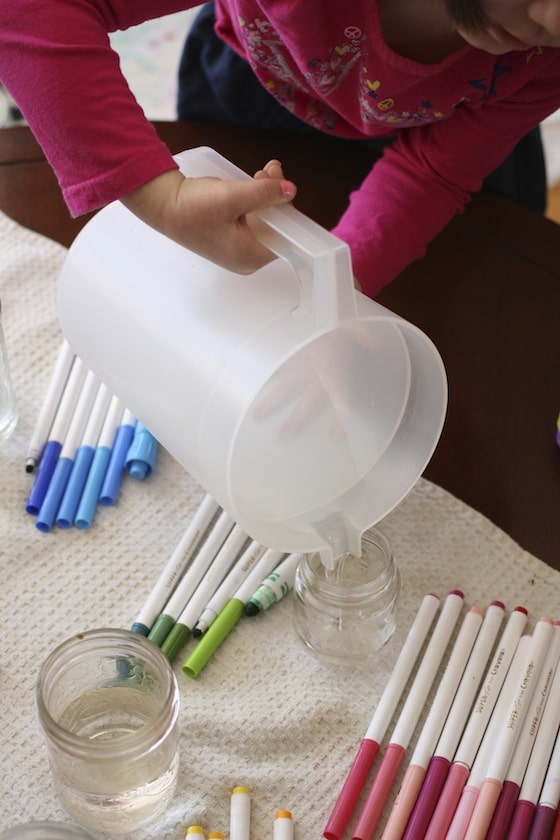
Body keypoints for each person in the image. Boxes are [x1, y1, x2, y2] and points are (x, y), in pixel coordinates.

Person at [1, 0, 560, 299]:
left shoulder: (546, 52)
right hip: (256, 84)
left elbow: (433, 172)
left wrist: (333, 293)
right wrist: (162, 200)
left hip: (461, 137)